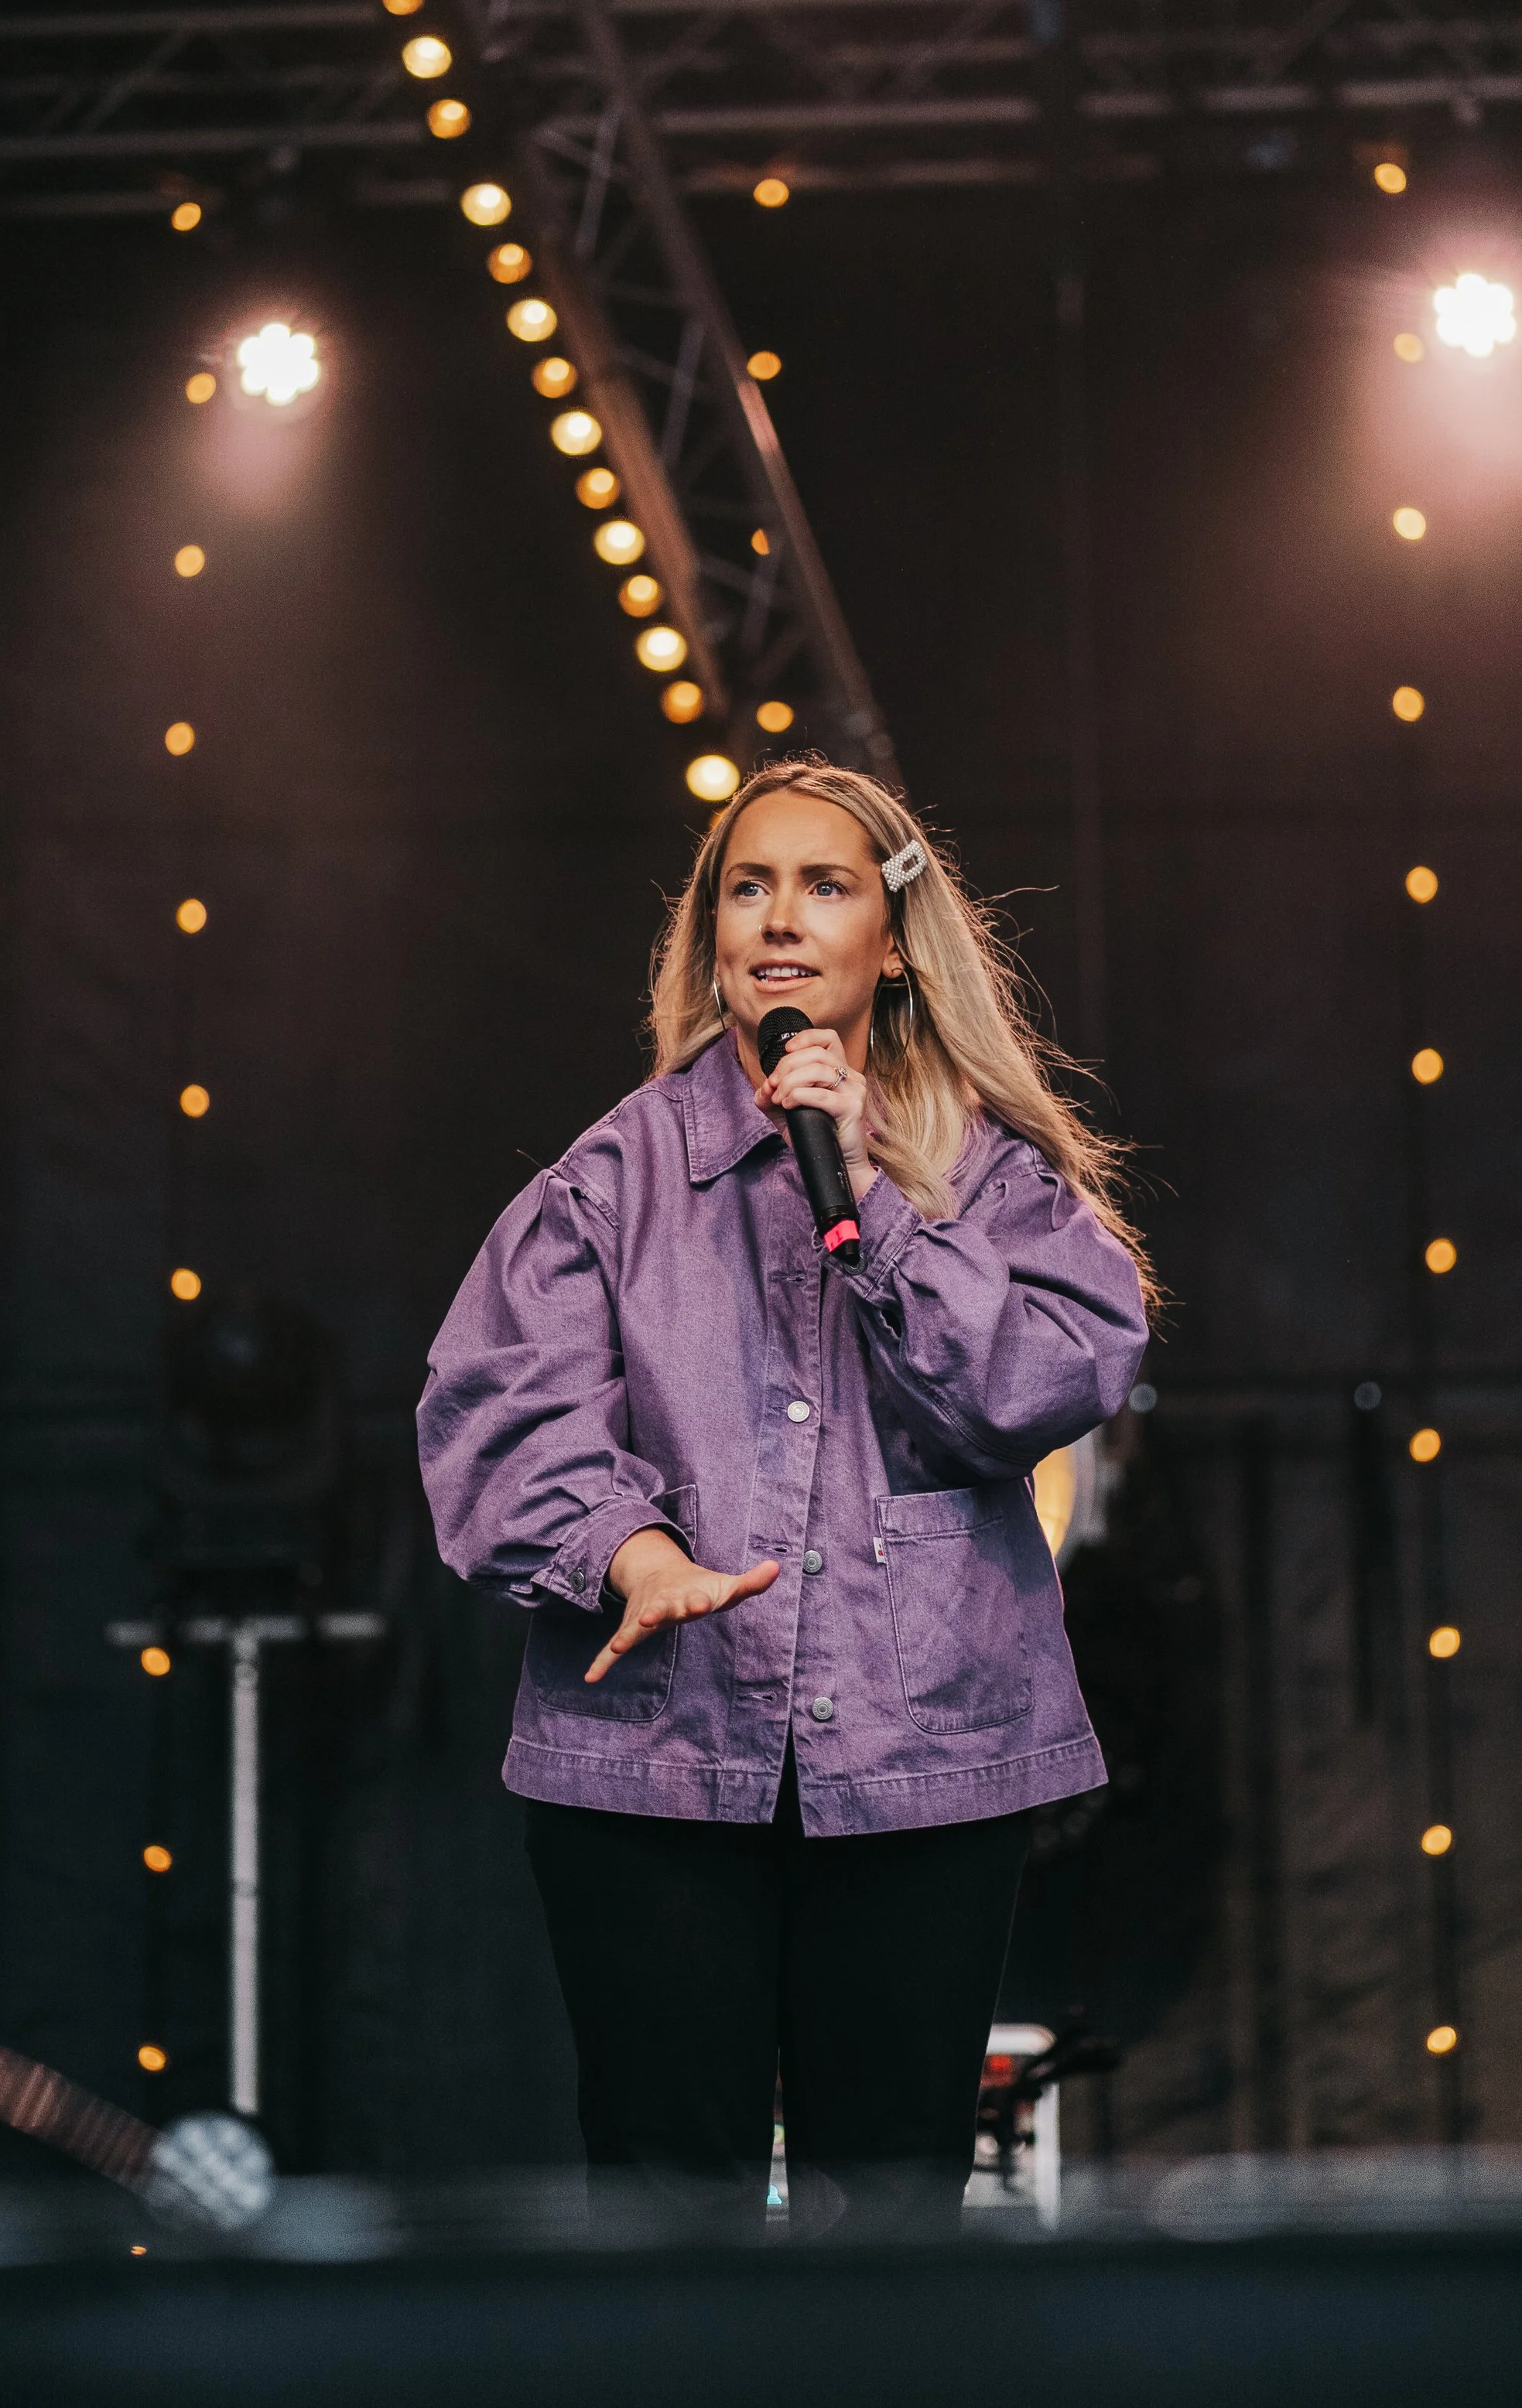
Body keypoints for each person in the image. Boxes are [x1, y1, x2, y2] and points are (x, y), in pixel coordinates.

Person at [417, 760, 1152, 2241]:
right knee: (662, 2202)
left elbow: (1043, 1379)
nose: (778, 917)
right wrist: (629, 1551)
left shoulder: (990, 1176)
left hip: (925, 1756)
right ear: (710, 941)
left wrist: (875, 1194)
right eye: (746, 886)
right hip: (657, 1758)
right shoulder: (614, 1175)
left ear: (896, 941)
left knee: (890, 2203)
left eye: (824, 885)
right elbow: (494, 1407)